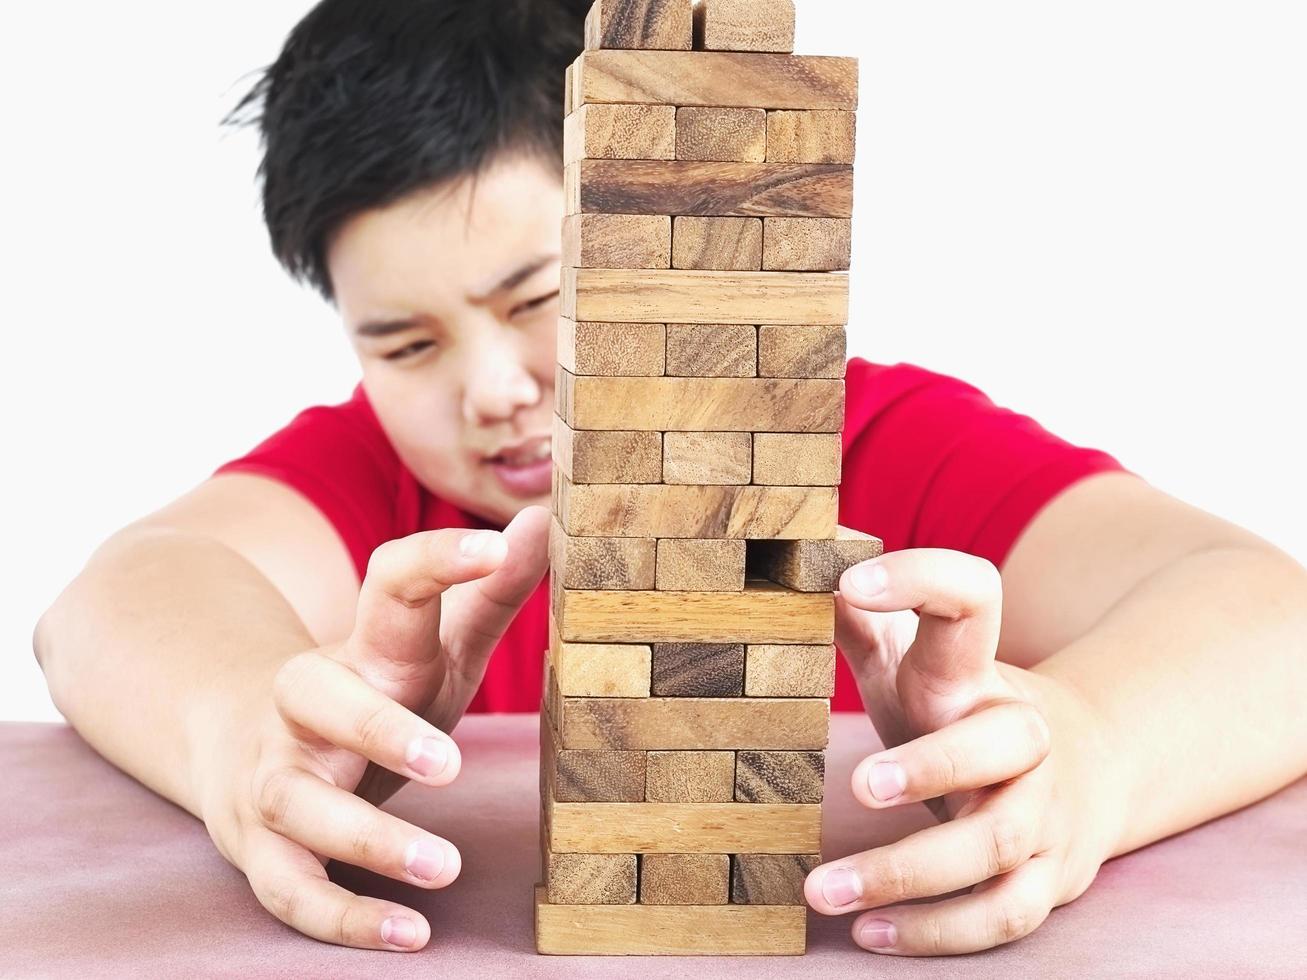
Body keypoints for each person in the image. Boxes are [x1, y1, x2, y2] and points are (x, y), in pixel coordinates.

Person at [33, 0, 1307, 958]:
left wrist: (1091, 747)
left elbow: (1267, 614)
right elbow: (110, 603)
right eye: (404, 343)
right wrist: (234, 726)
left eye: (535, 298)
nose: (488, 387)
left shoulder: (867, 441)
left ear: (667, 220)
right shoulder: (366, 486)